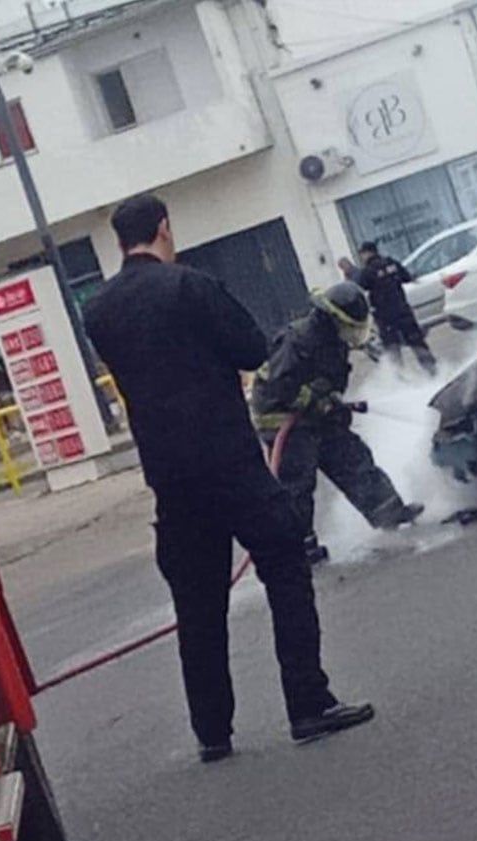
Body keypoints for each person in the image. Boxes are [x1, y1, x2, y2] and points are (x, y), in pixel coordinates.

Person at [81, 193, 375, 762]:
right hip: (228, 461)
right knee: (287, 565)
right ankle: (308, 704)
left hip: (169, 475)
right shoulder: (190, 286)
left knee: (196, 601)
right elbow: (249, 348)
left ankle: (213, 732)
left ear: (120, 242)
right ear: (164, 229)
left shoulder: (99, 311)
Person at [251, 282, 426, 563]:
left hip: (315, 415)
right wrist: (317, 402)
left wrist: (332, 403)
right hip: (282, 419)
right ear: (332, 318)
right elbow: (282, 386)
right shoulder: (298, 340)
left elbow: (333, 380)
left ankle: (389, 512)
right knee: (297, 481)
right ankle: (300, 548)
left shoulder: (334, 342)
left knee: (352, 456)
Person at [353, 241, 438, 374]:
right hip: (403, 310)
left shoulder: (368, 271)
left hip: (385, 317)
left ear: (367, 253)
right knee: (416, 342)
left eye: (362, 254)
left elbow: (359, 289)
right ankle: (433, 372)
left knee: (393, 349)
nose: (362, 257)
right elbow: (407, 277)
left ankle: (399, 380)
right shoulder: (391, 263)